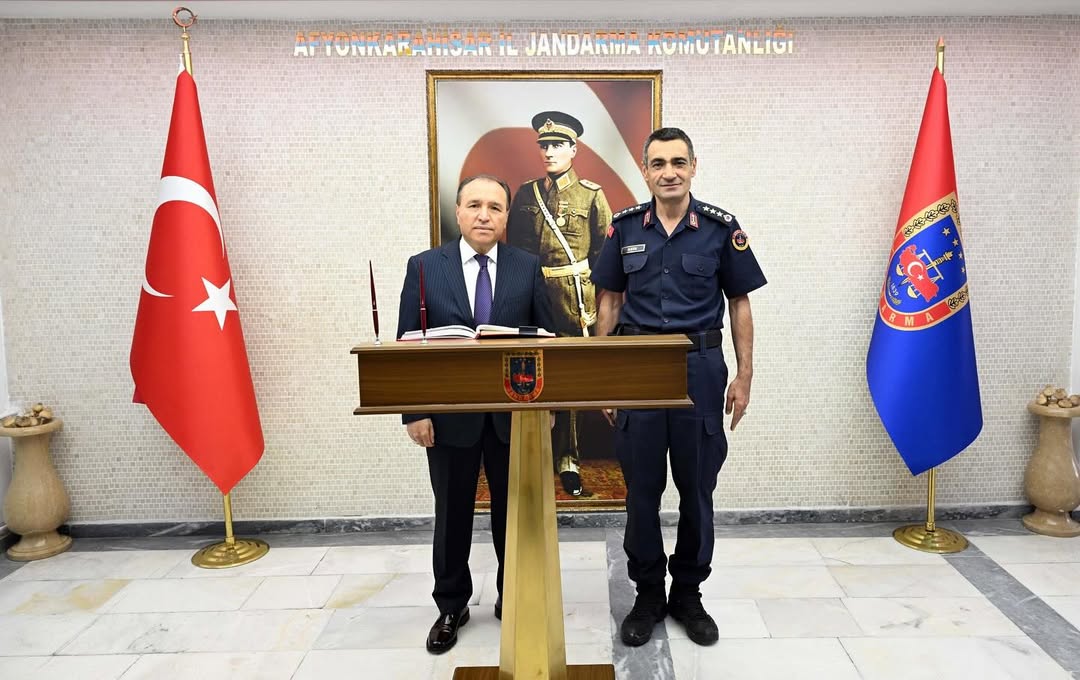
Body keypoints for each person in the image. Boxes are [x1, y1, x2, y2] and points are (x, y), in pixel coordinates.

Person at [590, 127, 766, 647]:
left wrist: (745, 374)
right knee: (641, 492)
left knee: (697, 489)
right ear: (644, 171)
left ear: (693, 167)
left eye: (679, 162)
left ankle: (688, 593)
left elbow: (739, 303)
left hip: (700, 369)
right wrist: (603, 379)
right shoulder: (624, 229)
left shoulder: (720, 229)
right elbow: (610, 305)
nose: (669, 171)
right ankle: (647, 595)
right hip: (639, 368)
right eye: (659, 163)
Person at [397, 174, 555, 654]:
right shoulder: (424, 267)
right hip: (447, 418)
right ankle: (451, 605)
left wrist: (547, 407)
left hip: (516, 414)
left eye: (495, 207)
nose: (485, 215)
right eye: (475, 205)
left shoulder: (527, 267)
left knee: (517, 515)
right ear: (459, 212)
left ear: (507, 216)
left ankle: (516, 595)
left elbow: (548, 340)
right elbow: (407, 344)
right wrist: (414, 412)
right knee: (451, 516)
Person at [507, 110, 613, 497]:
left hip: (573, 297)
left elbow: (606, 254)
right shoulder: (526, 194)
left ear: (573, 149)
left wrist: (587, 289)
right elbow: (515, 252)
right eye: (544, 145)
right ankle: (532, 458)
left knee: (567, 380)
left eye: (557, 145)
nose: (549, 151)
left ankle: (568, 459)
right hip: (533, 297)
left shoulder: (592, 195)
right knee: (529, 376)